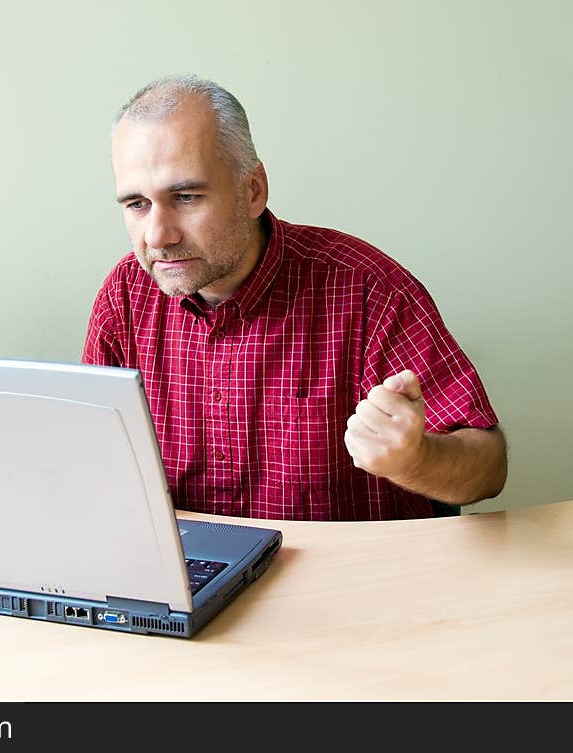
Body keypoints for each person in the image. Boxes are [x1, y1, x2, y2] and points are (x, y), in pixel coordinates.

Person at [82, 75, 507, 521]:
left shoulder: (367, 290)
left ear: (253, 191)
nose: (158, 235)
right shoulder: (124, 297)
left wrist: (415, 459)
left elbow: (489, 466)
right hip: (195, 580)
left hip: (349, 582)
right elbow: (92, 461)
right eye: (136, 205)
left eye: (186, 197)